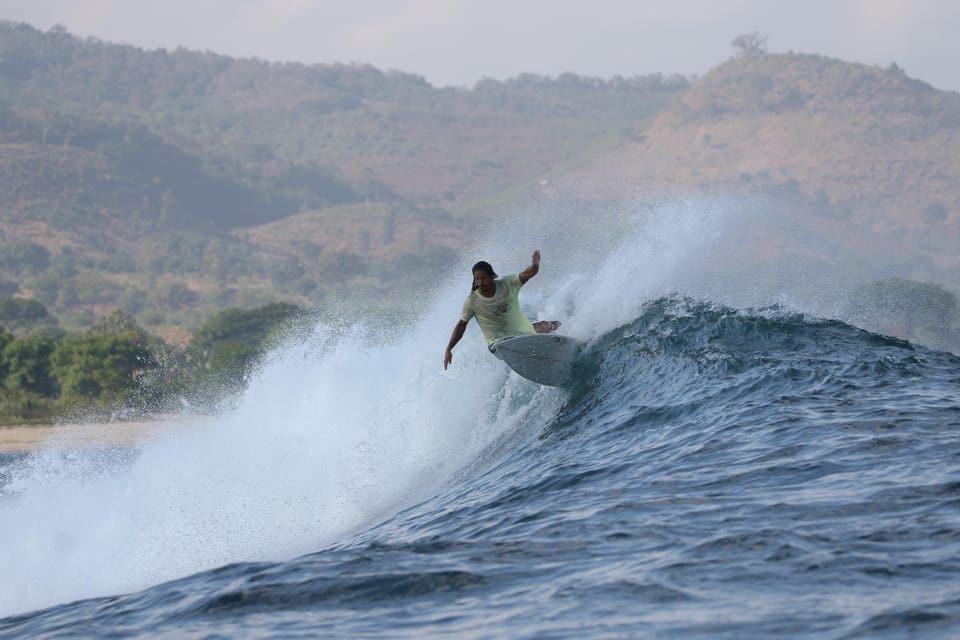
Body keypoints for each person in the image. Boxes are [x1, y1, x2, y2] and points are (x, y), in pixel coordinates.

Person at [443, 249, 560, 370]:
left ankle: (565, 329)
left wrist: (535, 265)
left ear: (491, 276)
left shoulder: (507, 284)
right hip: (498, 344)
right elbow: (461, 325)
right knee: (520, 338)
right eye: (477, 279)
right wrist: (449, 348)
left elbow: (528, 274)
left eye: (483, 278)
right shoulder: (472, 301)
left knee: (545, 326)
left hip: (522, 335)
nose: (480, 282)